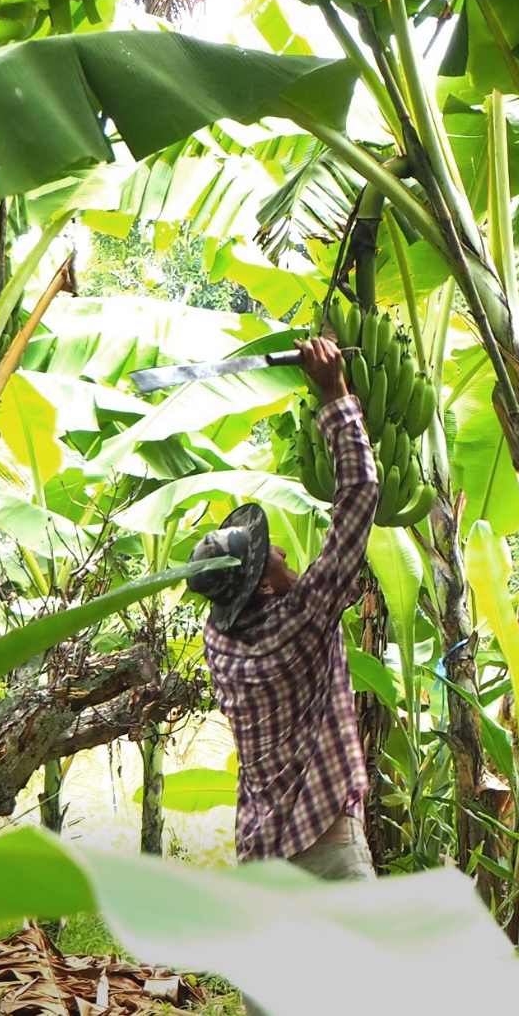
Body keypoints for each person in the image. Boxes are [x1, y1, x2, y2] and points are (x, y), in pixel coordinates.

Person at [189, 335, 380, 882]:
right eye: (270, 556)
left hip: (263, 856)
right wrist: (335, 394)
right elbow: (360, 496)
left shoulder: (220, 644)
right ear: (265, 590)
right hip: (324, 843)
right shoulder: (303, 620)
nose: (280, 549)